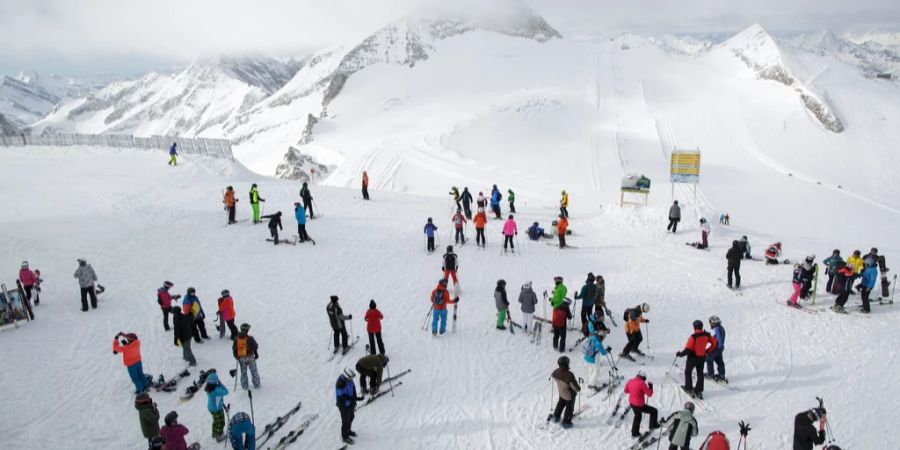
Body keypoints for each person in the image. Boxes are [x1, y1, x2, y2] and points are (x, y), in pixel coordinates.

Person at [676, 320, 718, 399]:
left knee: (688, 372)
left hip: (693, 357)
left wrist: (680, 354)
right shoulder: (707, 335)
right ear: (701, 326)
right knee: (700, 373)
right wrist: (708, 351)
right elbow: (714, 343)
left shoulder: (694, 336)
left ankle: (688, 388)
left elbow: (688, 349)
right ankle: (698, 390)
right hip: (702, 357)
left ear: (695, 327)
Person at [624, 371, 660, 438]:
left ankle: (634, 432)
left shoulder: (630, 381)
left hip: (632, 403)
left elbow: (626, 391)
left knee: (637, 416)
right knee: (654, 411)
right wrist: (651, 386)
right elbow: (649, 394)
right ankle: (652, 425)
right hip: (639, 405)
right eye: (644, 379)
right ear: (643, 377)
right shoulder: (642, 384)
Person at [335, 368, 364, 445]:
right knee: (346, 421)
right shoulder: (340, 383)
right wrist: (356, 399)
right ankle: (345, 437)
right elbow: (343, 397)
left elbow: (353, 390)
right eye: (350, 377)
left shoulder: (349, 380)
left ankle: (348, 431)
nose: (352, 379)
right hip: (343, 405)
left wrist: (354, 401)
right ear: (346, 376)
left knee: (351, 417)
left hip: (350, 403)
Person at [551, 356, 581, 429]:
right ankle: (566, 422)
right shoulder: (569, 375)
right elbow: (575, 387)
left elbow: (554, 377)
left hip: (561, 393)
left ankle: (556, 416)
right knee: (569, 408)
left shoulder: (556, 371)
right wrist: (578, 389)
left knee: (560, 404)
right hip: (569, 395)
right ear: (566, 364)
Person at [233, 323, 261, 390]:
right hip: (250, 357)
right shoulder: (250, 338)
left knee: (243, 372)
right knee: (254, 371)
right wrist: (256, 354)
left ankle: (244, 386)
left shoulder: (236, 339)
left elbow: (234, 349)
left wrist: (237, 356)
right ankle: (257, 384)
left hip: (241, 358)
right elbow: (255, 346)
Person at [205, 372, 229, 442]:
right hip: (217, 409)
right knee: (220, 422)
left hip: (211, 407)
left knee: (216, 421)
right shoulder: (216, 390)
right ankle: (219, 435)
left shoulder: (208, 388)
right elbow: (226, 391)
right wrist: (221, 384)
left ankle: (214, 433)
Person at [705, 316, 726, 382]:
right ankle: (722, 375)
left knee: (709, 359)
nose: (710, 324)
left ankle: (710, 374)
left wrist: (716, 346)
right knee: (719, 360)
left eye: (711, 322)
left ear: (714, 322)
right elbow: (718, 337)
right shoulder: (720, 328)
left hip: (718, 347)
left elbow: (719, 340)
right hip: (720, 348)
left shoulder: (717, 329)